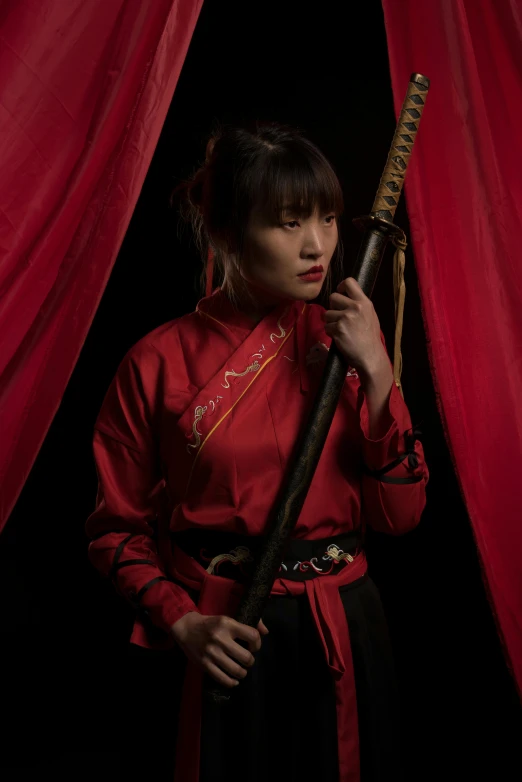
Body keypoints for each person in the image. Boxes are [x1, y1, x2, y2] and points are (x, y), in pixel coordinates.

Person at [86, 123, 428, 782]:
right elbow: (114, 530)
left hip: (346, 629)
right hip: (231, 634)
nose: (318, 246)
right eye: (289, 223)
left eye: (328, 219)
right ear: (224, 233)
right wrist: (184, 625)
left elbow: (402, 516)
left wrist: (380, 375)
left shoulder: (346, 345)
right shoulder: (155, 364)